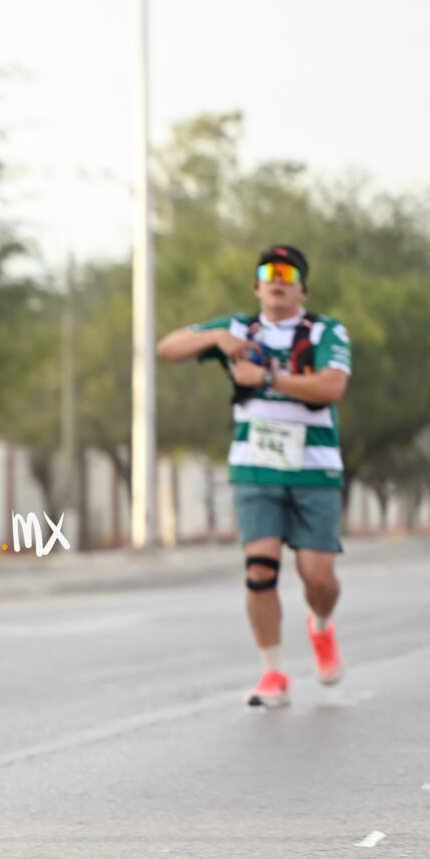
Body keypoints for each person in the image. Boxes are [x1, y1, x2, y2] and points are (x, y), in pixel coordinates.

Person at [157, 245, 352, 708]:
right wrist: (217, 339)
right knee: (260, 571)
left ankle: (320, 626)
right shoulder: (237, 329)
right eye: (269, 272)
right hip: (255, 469)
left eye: (288, 274)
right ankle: (272, 673)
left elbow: (331, 387)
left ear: (303, 288)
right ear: (256, 286)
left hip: (314, 471)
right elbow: (168, 347)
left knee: (318, 578)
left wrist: (266, 378)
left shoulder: (325, 331)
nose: (277, 280)